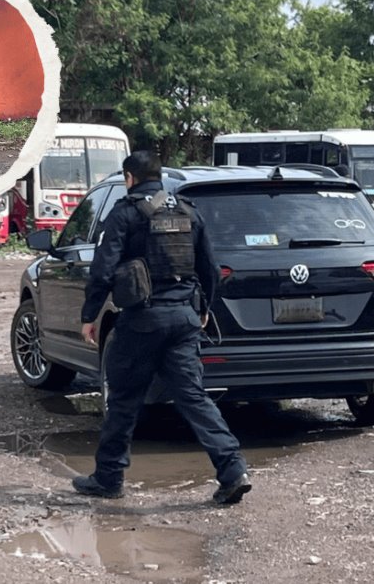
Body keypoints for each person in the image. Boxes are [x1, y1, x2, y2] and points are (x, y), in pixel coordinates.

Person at [75, 150, 251, 504]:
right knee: (193, 397)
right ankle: (233, 471)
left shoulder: (126, 214)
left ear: (129, 178)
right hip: (183, 319)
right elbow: (211, 271)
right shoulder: (189, 212)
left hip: (141, 322)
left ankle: (108, 479)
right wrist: (203, 309)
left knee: (123, 399)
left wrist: (89, 316)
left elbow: (103, 270)